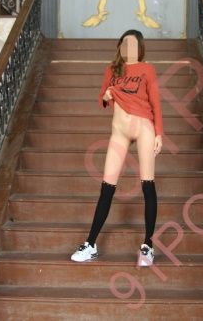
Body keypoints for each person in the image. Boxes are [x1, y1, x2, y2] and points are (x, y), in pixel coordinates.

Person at [70, 29, 164, 266]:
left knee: (147, 184)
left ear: (139, 48)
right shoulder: (112, 70)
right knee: (107, 187)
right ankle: (91, 244)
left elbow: (156, 103)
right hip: (119, 132)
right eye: (124, 44)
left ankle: (148, 246)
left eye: (132, 44)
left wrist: (159, 134)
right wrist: (107, 95)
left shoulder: (147, 69)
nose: (127, 48)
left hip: (143, 127)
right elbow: (101, 97)